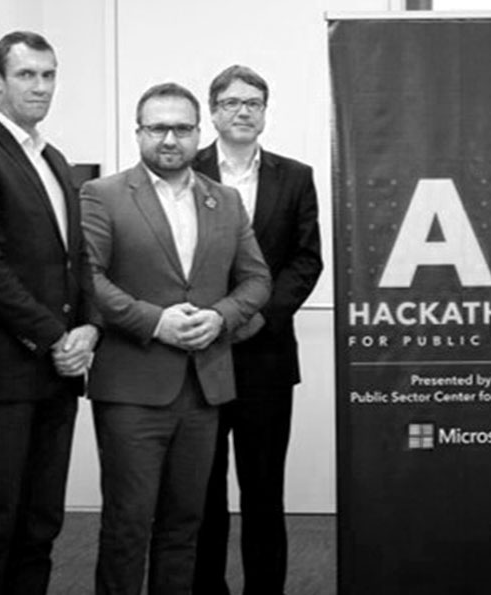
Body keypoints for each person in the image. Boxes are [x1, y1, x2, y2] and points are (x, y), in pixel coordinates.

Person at [80, 82, 271, 595]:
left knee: (184, 527)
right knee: (127, 526)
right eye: (158, 127)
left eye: (182, 128)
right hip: (132, 390)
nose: (170, 138)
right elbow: (90, 279)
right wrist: (155, 320)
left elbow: (257, 279)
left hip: (203, 388)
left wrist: (221, 317)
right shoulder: (103, 195)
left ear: (198, 133)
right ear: (138, 132)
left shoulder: (224, 200)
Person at [192, 65, 323, 595]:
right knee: (201, 490)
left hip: (265, 354)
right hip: (198, 351)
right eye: (231, 102)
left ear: (265, 112)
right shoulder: (186, 168)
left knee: (264, 489)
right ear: (213, 111)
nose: (243, 111)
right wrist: (213, 319)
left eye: (254, 102)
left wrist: (258, 315)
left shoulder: (295, 176)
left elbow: (306, 261)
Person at [0, 30, 100, 595]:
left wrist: (87, 330)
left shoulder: (52, 157)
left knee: (42, 523)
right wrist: (54, 336)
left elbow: (72, 261)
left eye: (48, 74)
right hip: (1, 376)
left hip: (58, 376)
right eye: (27, 75)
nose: (40, 86)